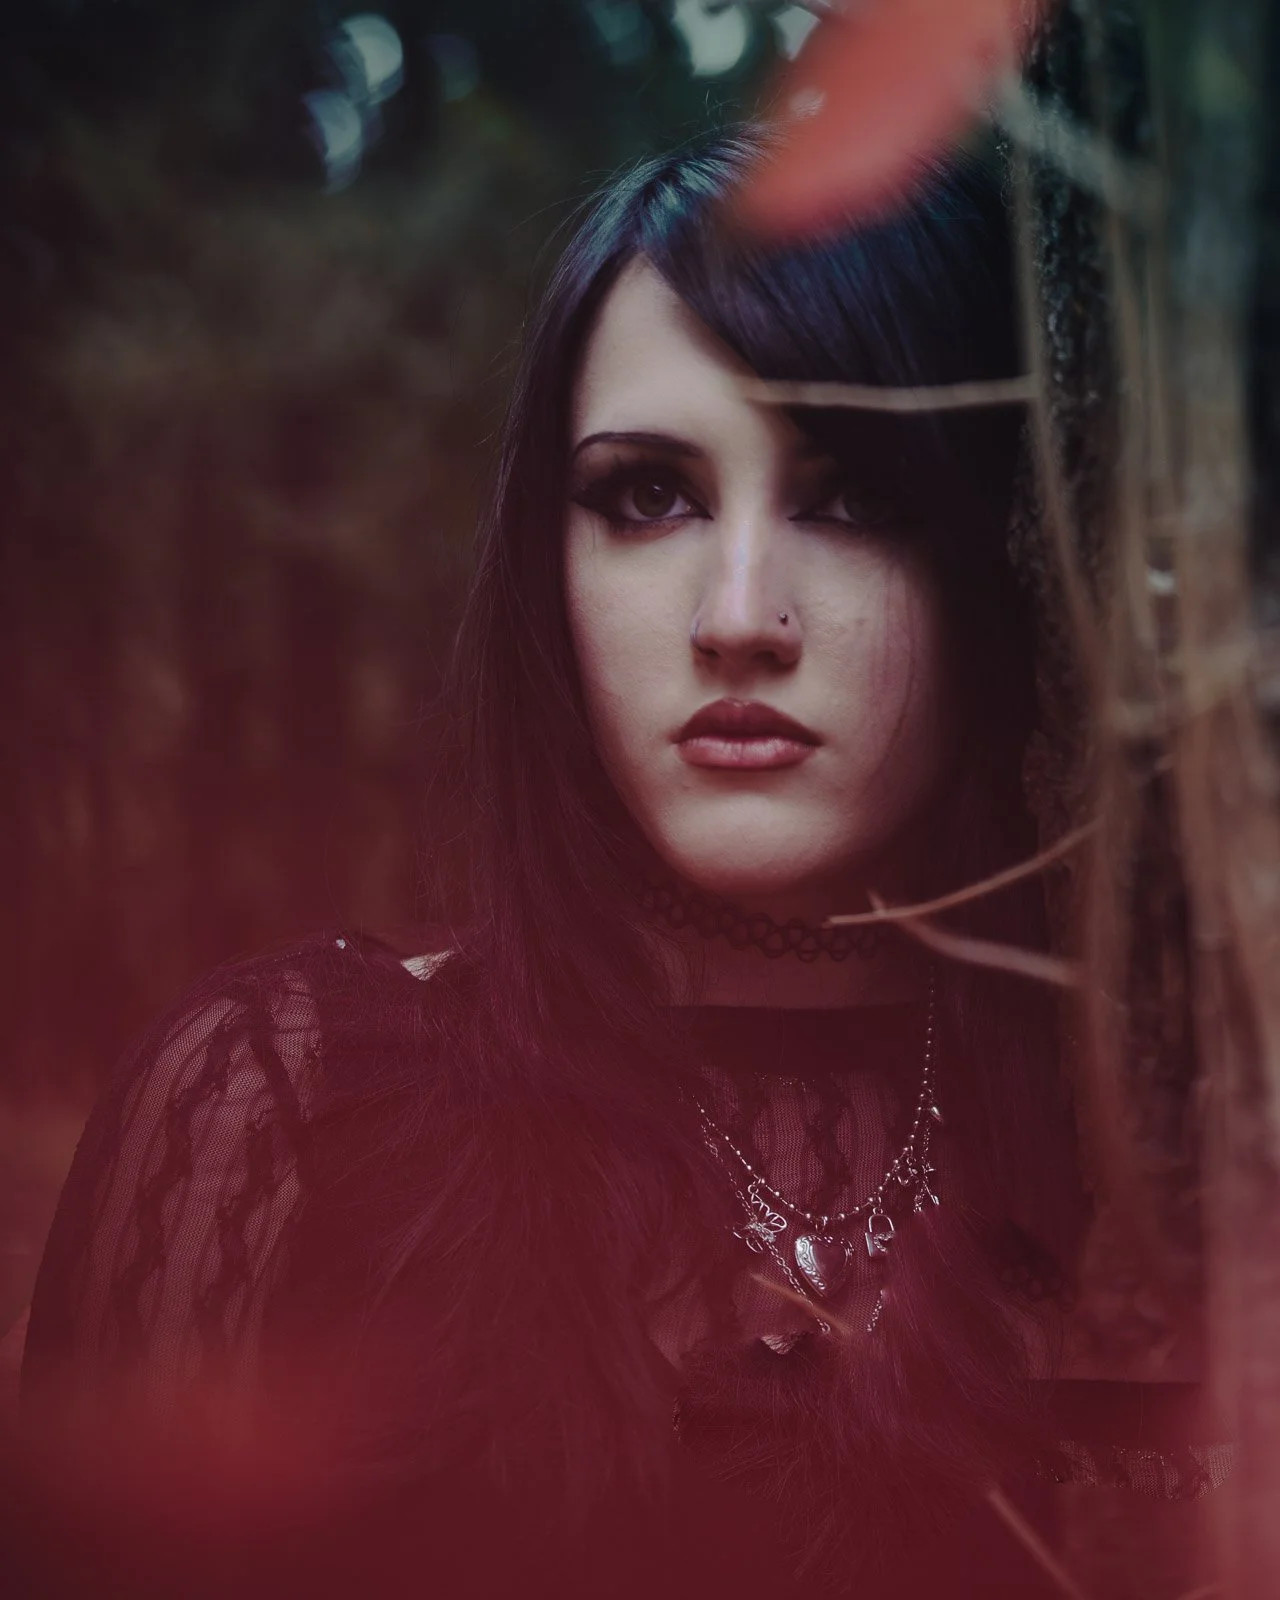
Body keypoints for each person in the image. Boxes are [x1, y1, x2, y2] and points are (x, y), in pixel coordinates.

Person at [16, 131, 1216, 1600]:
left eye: (853, 496)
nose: (738, 614)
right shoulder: (275, 1109)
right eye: (647, 496)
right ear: (548, 567)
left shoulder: (1168, 1158)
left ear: (1005, 557)